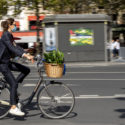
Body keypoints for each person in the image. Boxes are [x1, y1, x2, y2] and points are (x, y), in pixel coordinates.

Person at [0, 18, 34, 116]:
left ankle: (13, 88)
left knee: (26, 70)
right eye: (14, 25)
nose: (16, 26)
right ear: (9, 25)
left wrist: (27, 54)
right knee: (14, 83)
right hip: (2, 64)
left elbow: (16, 47)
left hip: (7, 62)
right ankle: (13, 107)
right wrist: (24, 56)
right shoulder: (6, 35)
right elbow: (11, 48)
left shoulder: (10, 35)